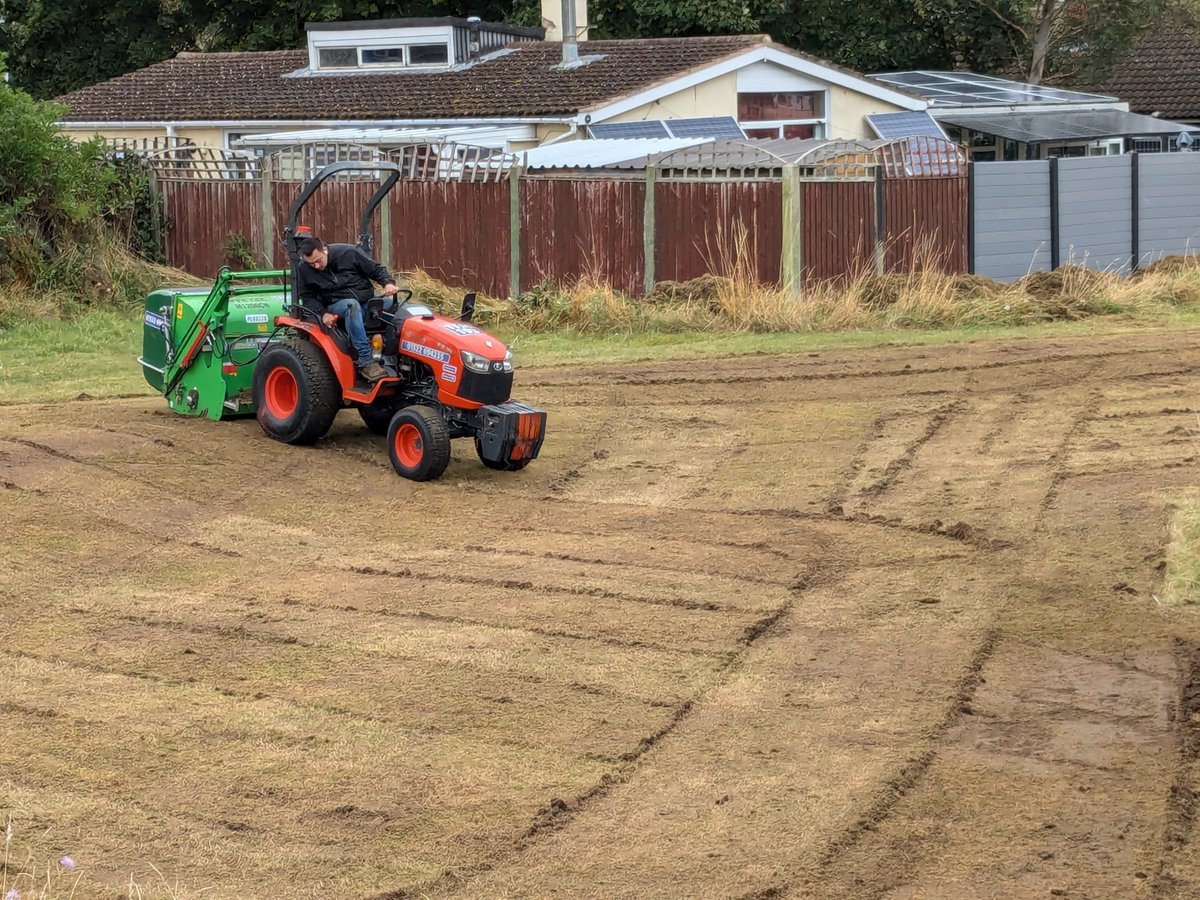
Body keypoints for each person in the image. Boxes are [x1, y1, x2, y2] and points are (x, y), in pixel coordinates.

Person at [295, 236, 400, 382]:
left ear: (324, 249)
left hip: (366, 300)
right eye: (311, 264)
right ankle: (366, 362)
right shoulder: (304, 269)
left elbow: (376, 269)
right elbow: (307, 297)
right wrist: (323, 313)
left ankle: (395, 356)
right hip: (337, 306)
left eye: (318, 261)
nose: (316, 267)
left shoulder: (349, 253)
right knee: (352, 305)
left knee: (399, 308)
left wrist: (387, 283)